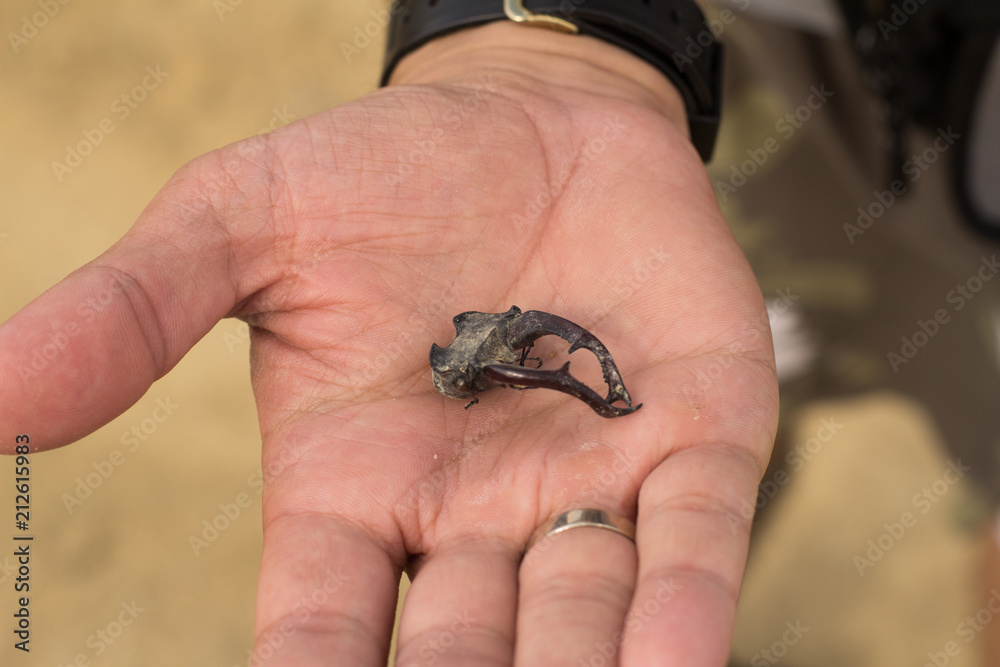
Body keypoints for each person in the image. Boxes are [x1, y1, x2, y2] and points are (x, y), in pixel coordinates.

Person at [0, 7, 778, 667]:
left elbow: (527, 354)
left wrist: (586, 381)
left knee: (708, 429)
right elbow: (507, 363)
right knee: (689, 442)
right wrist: (550, 52)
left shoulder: (503, 347)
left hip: (775, 117)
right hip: (712, 70)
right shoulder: (471, 370)